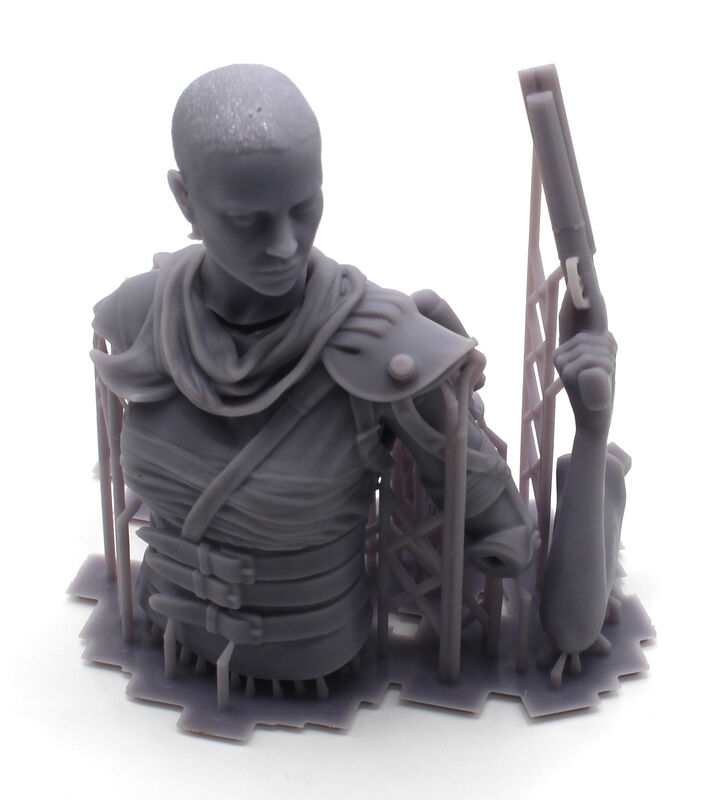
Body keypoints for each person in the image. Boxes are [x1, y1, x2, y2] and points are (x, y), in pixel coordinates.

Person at [90, 64, 544, 686]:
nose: (285, 244)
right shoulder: (139, 312)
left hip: (310, 669)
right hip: (164, 637)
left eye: (304, 207)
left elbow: (504, 536)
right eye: (248, 219)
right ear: (184, 198)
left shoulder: (384, 345)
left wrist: (459, 404)